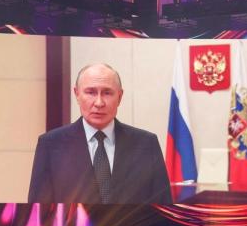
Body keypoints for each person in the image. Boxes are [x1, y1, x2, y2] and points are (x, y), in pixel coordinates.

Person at [27, 63, 173, 204]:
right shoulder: (51, 145)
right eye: (90, 92)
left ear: (120, 97)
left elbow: (164, 212)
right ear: (77, 94)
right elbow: (38, 215)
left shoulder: (147, 144)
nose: (99, 103)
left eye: (107, 93)